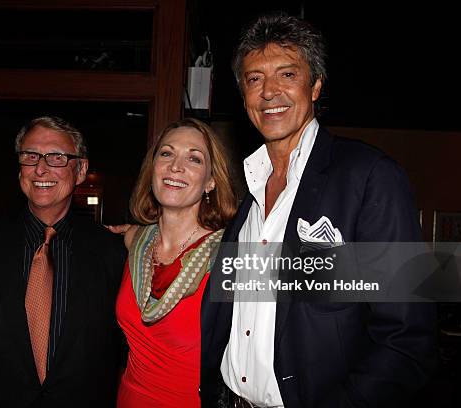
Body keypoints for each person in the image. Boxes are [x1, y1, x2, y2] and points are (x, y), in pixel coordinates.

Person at [200, 12, 437, 408]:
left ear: (316, 86)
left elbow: (407, 340)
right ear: (243, 96)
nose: (269, 92)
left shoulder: (368, 176)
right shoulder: (249, 192)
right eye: (254, 79)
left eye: (287, 75)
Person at [0, 116, 126, 407]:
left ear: (80, 170)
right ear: (20, 171)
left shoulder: (112, 253)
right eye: (30, 156)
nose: (41, 168)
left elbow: (127, 352)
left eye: (57, 157)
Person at [116, 118, 237, 407]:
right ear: (153, 169)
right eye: (166, 153)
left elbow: (354, 273)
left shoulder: (231, 256)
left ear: (210, 181)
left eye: (194, 158)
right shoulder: (136, 241)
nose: (175, 166)